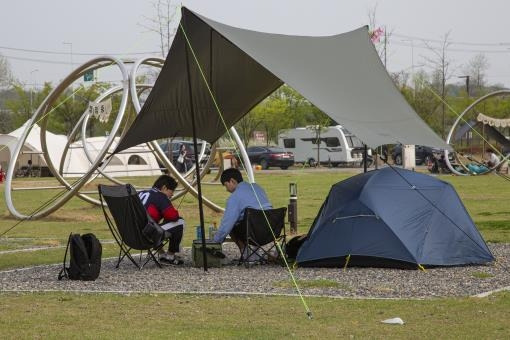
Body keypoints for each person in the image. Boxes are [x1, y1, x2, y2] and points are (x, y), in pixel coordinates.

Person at [212, 168, 272, 260]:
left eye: (226, 185)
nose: (227, 190)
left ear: (232, 181)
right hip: (271, 230)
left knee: (233, 225)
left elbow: (227, 223)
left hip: (253, 232)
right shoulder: (257, 187)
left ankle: (246, 254)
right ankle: (256, 253)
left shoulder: (234, 197)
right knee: (254, 219)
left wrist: (216, 241)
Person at [138, 175, 185, 265]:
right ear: (164, 188)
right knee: (180, 222)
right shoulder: (160, 196)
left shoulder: (140, 193)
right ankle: (170, 256)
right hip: (146, 235)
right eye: (172, 191)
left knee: (153, 224)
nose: (172, 194)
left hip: (131, 235)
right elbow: (173, 217)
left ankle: (163, 255)